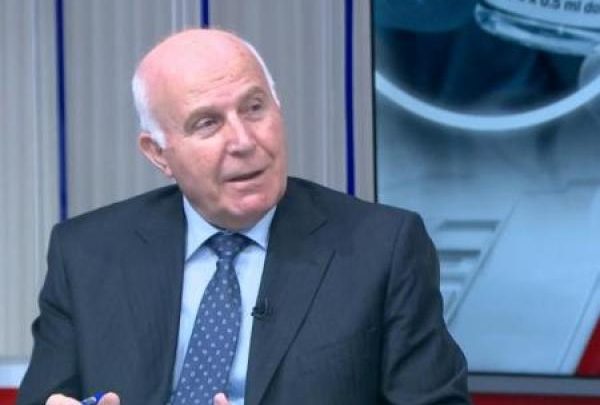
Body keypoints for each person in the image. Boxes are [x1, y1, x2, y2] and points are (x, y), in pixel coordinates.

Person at [18, 29, 471, 405]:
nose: (243, 141)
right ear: (158, 153)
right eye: (207, 123)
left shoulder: (383, 248)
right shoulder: (86, 253)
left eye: (255, 108)